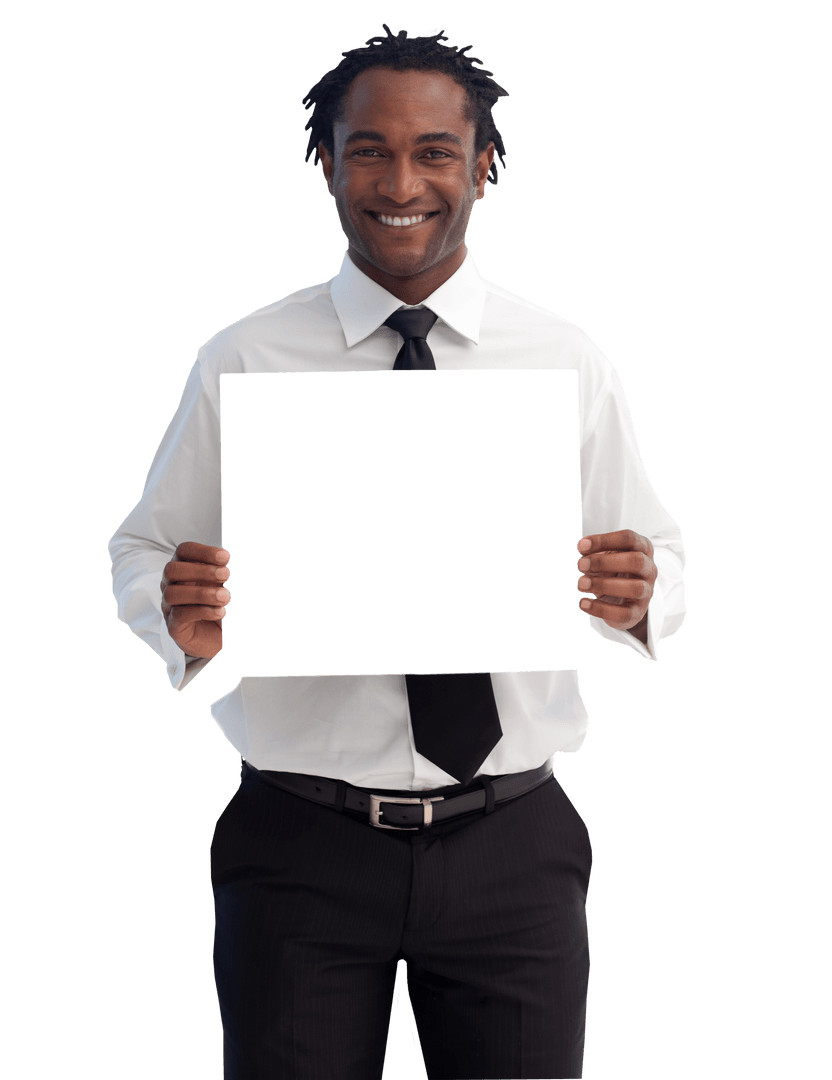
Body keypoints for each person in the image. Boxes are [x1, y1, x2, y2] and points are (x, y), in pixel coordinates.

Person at [108, 23, 686, 1080]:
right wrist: (172, 611)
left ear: (483, 165)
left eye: (434, 150)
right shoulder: (243, 356)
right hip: (298, 841)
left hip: (513, 837)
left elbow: (653, 546)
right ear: (326, 163)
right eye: (367, 148)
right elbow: (144, 546)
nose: (400, 179)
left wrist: (640, 590)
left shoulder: (563, 357)